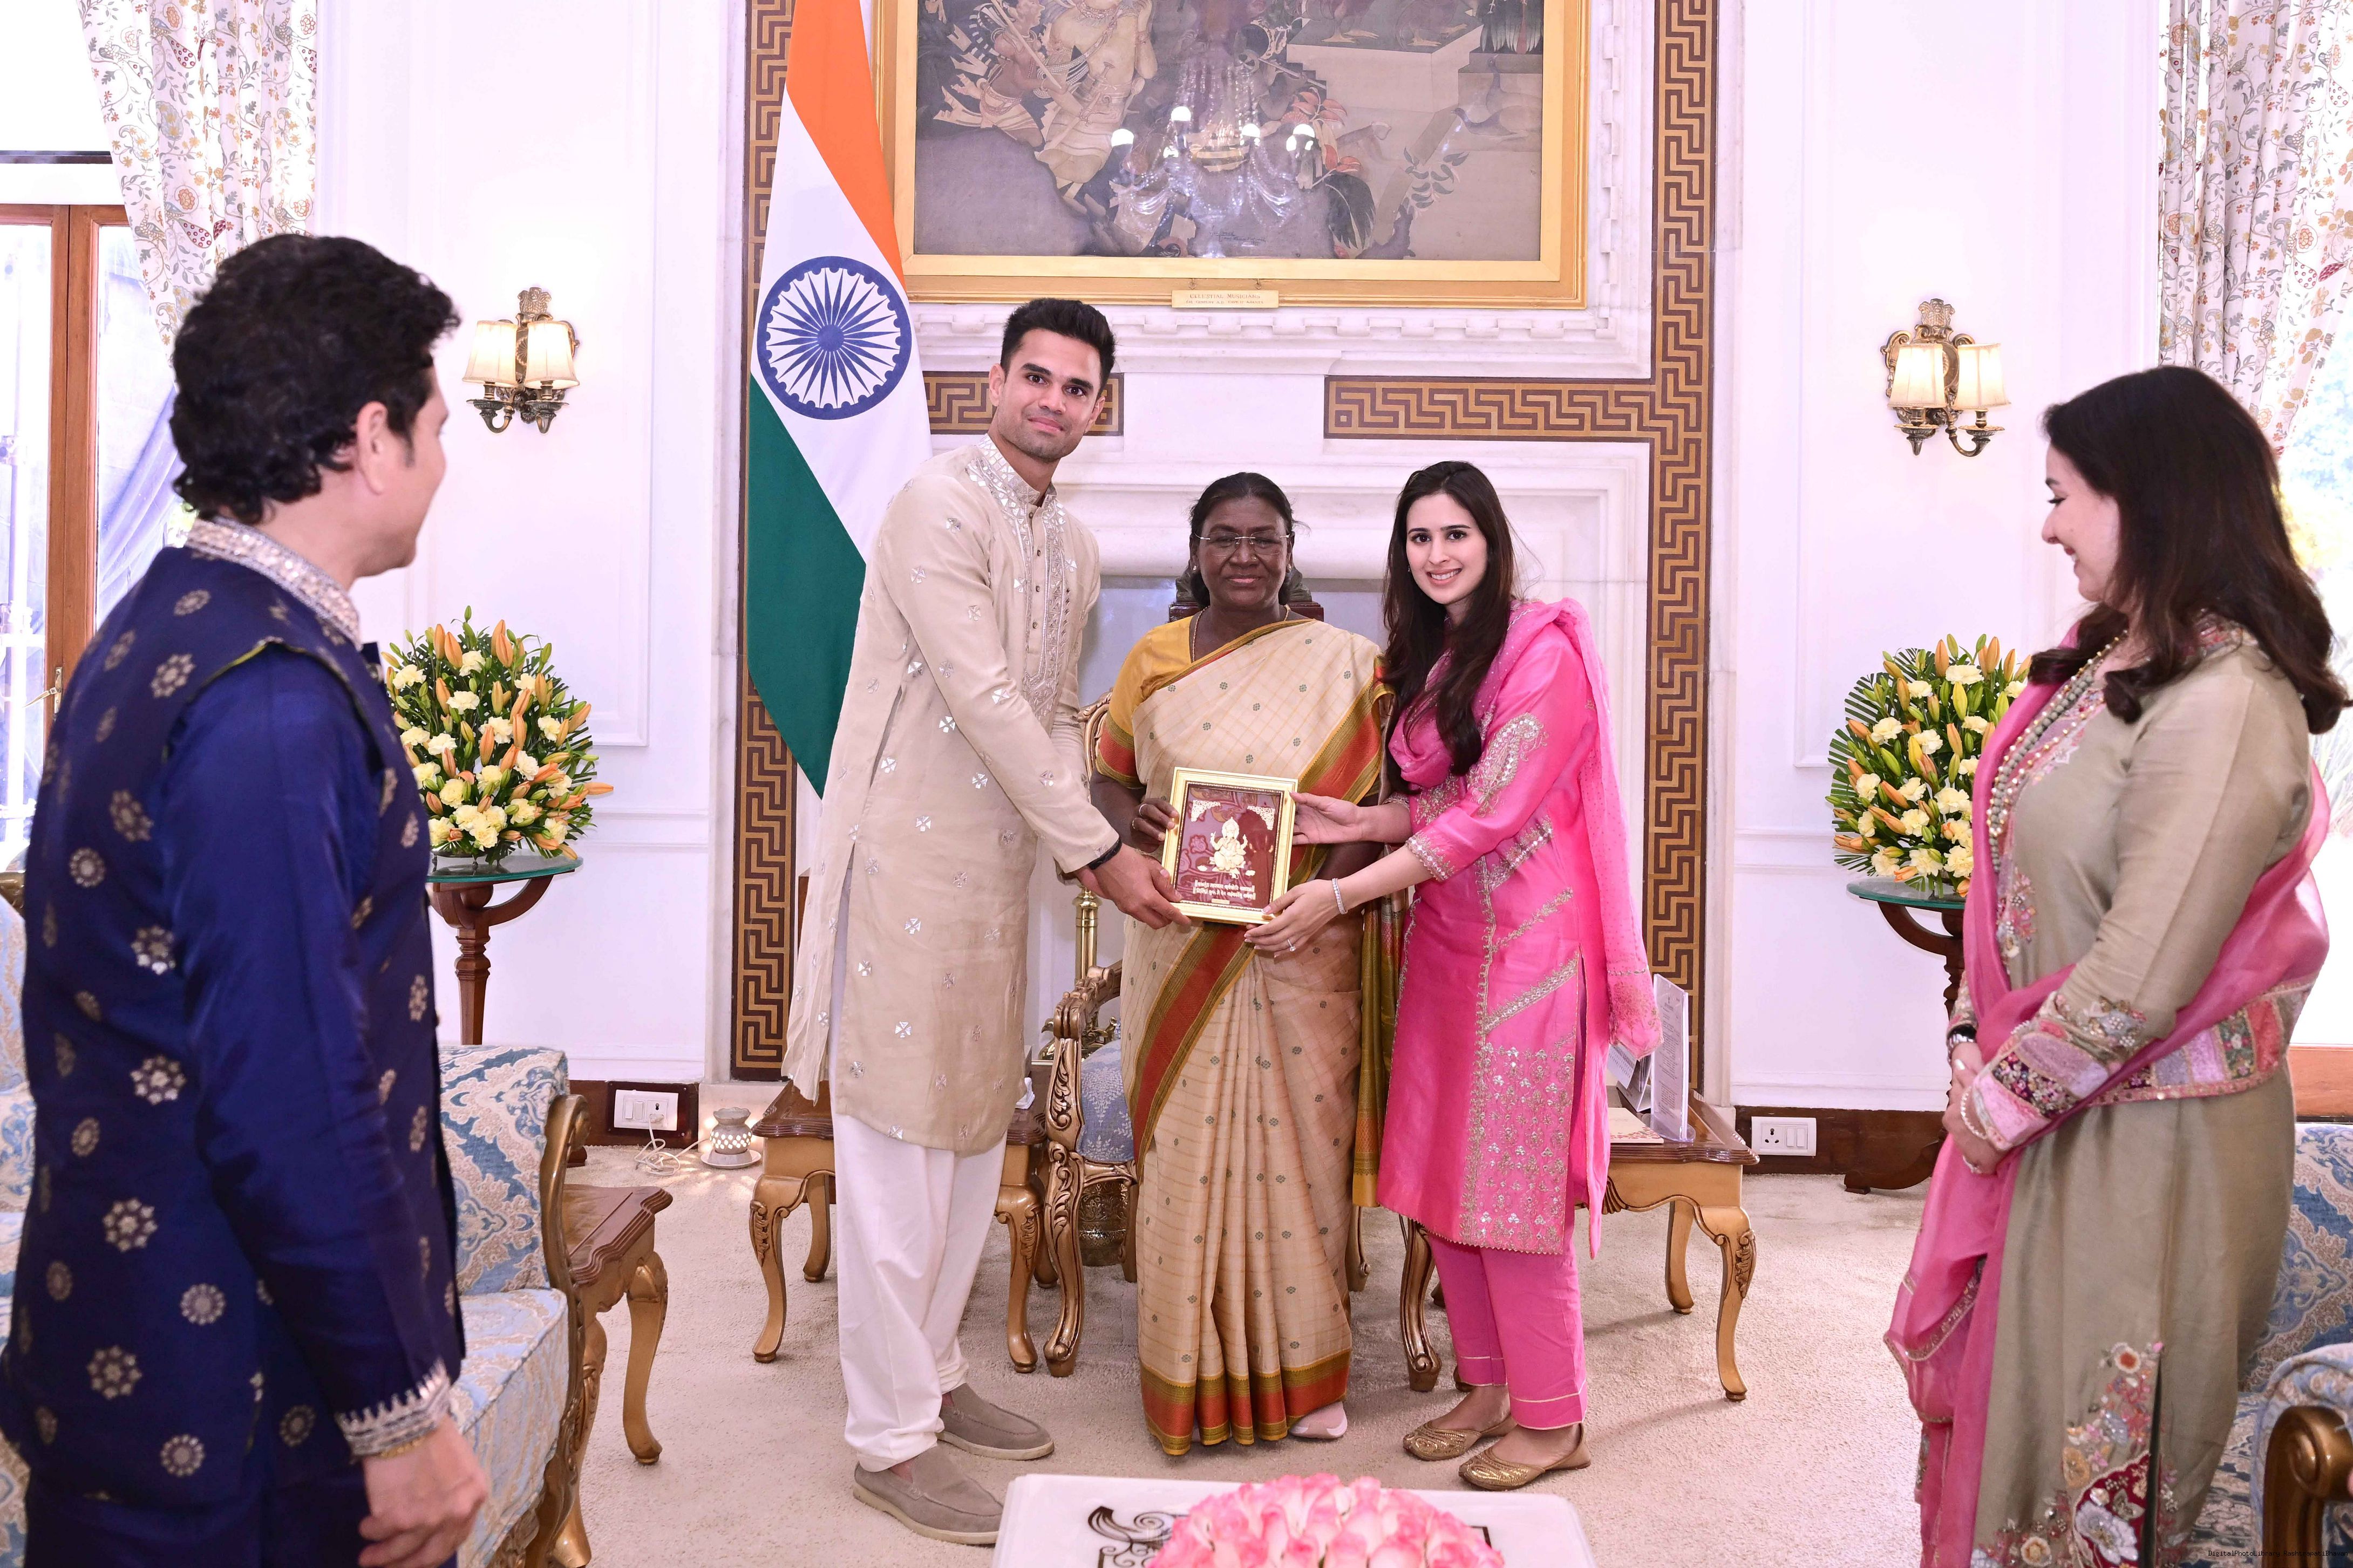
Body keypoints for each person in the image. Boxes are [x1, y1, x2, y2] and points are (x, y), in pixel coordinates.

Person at [0, 235, 486, 1566]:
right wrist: (400, 1413)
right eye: (439, 427)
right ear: (373, 438)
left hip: (152, 1355)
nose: (443, 463)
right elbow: (287, 1087)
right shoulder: (268, 698)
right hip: (237, 1407)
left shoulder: (167, 615)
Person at [1893, 366, 2338, 1566]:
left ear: (2145, 496)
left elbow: (2144, 967)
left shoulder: (2227, 700)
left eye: (2061, 495)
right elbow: (2012, 879)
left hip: (2155, 1150)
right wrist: (1971, 1033)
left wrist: (1993, 1101)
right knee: (2019, 1428)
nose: (2047, 526)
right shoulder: (2115, 660)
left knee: (2091, 1458)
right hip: (2063, 1112)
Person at [779, 297, 1185, 1547]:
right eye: (1035, 377)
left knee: (966, 1136)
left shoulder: (1073, 543)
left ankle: (935, 1378)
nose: (1053, 401)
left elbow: (1053, 711)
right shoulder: (935, 507)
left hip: (998, 874)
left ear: (1097, 408)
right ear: (995, 383)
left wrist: (1112, 812)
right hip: (906, 865)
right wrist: (1100, 853)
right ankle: (887, 1441)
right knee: (896, 1149)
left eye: (1077, 387)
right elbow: (983, 693)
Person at [1251, 459, 1657, 1490]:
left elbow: (1491, 816)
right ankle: (1486, 1385)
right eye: (1419, 537)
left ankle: (1555, 1416)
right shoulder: (1443, 655)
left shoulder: (1545, 654)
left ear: (1492, 540)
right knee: (1444, 1183)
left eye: (1455, 535)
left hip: (1533, 956)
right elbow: (1447, 803)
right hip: (1448, 942)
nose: (1436, 555)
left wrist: (1340, 892)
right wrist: (1364, 819)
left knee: (1510, 1194)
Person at [1089, 473, 1389, 1455]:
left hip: (1307, 946)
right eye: (1225, 537)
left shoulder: (1349, 665)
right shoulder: (1154, 658)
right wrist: (1130, 823)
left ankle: (1308, 1375)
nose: (1245, 555)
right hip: (1179, 941)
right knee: (1184, 1160)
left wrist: (1322, 898)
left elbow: (1370, 806)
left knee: (1302, 1161)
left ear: (1291, 549)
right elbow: (1107, 781)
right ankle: (1187, 1371)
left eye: (1264, 538)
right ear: (1197, 549)